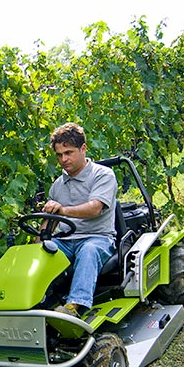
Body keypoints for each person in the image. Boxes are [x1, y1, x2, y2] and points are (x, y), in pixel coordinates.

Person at [41, 122, 118, 318]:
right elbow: (50, 221)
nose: (63, 159)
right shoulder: (57, 186)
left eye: (68, 153)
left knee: (88, 251)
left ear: (83, 149)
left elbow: (95, 208)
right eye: (59, 155)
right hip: (65, 240)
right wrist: (38, 244)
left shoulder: (103, 175)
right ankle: (35, 302)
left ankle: (74, 306)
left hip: (97, 238)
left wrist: (63, 210)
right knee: (42, 252)